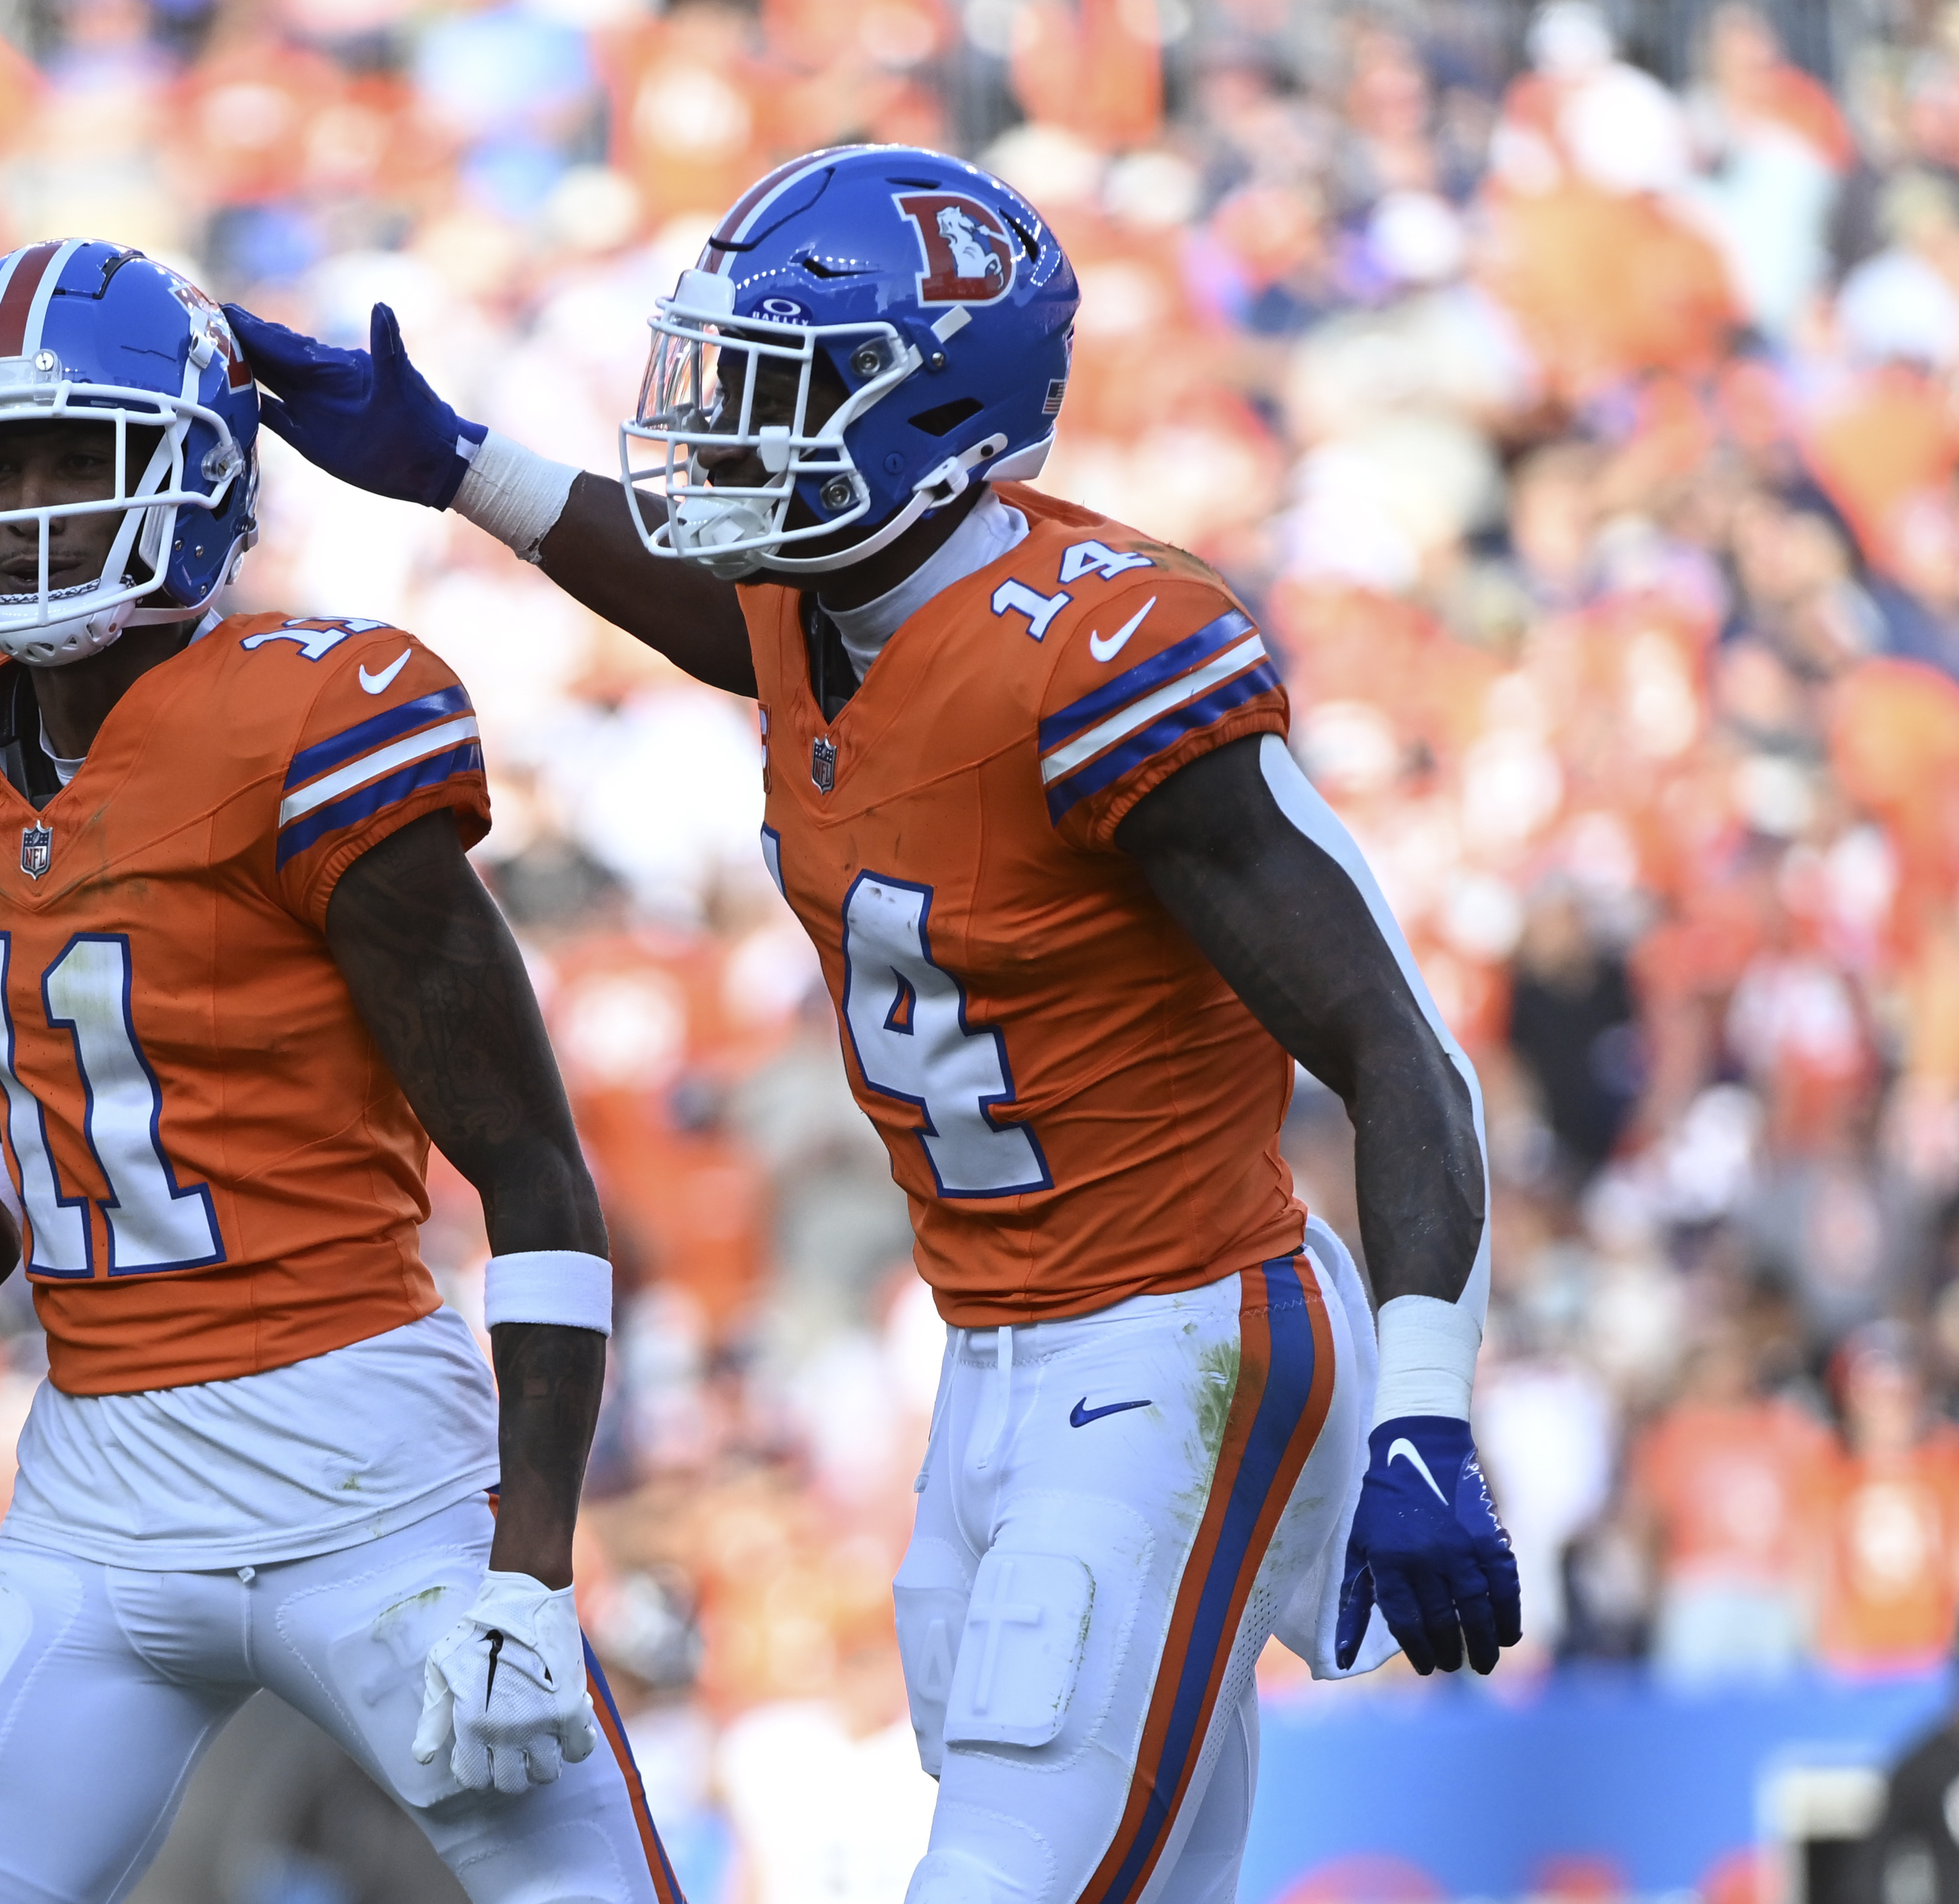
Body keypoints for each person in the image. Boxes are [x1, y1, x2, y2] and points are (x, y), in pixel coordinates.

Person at [231, 144, 1521, 1904]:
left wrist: (1429, 1407)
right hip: (991, 1348)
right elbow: (720, 621)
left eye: (781, 393)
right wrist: (461, 462)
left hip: (1176, 1332)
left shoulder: (1095, 656)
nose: (721, 434)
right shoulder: (820, 599)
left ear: (937, 421)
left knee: (999, 1871)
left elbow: (1393, 1043)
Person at [0, 239, 676, 1904]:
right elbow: (45, 1104)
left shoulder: (321, 715)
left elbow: (537, 1174)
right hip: (95, 1491)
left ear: (196, 474)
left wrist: (531, 1572)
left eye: (80, 457)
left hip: (371, 1474)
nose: (32, 506)